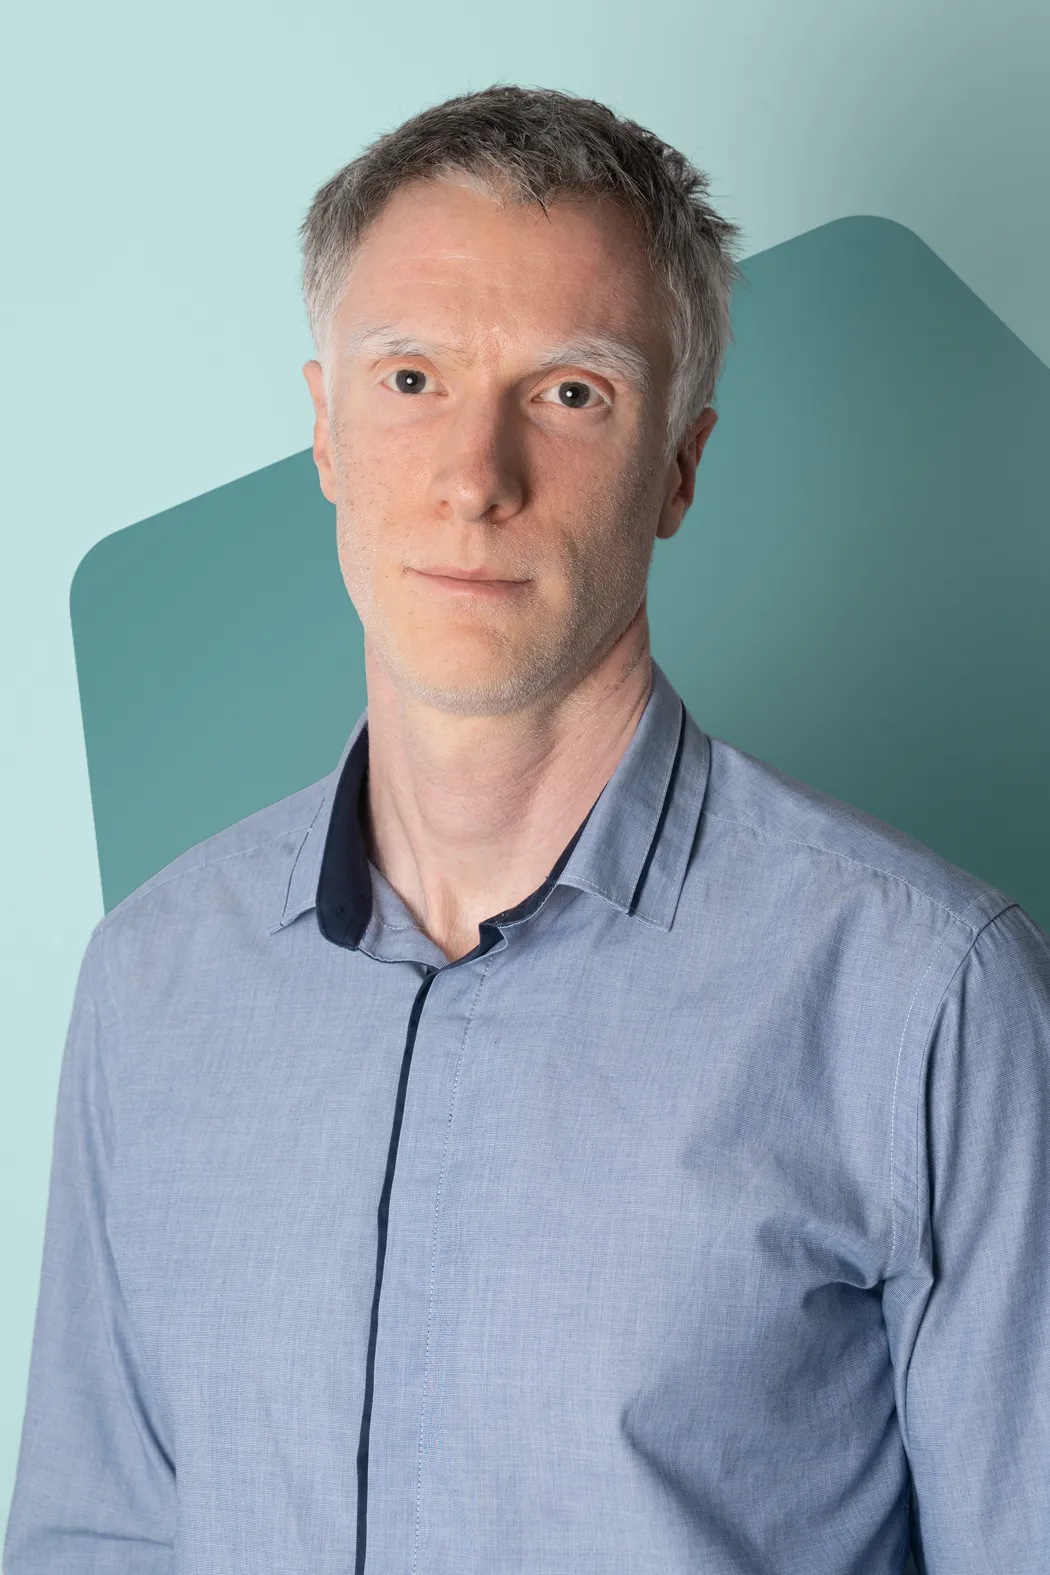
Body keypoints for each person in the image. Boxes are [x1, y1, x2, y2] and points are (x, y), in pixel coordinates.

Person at [5, 84, 1049, 1575]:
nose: (473, 479)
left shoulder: (928, 1000)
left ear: (678, 464)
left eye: (570, 393)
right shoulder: (150, 983)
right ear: (323, 431)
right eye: (410, 378)